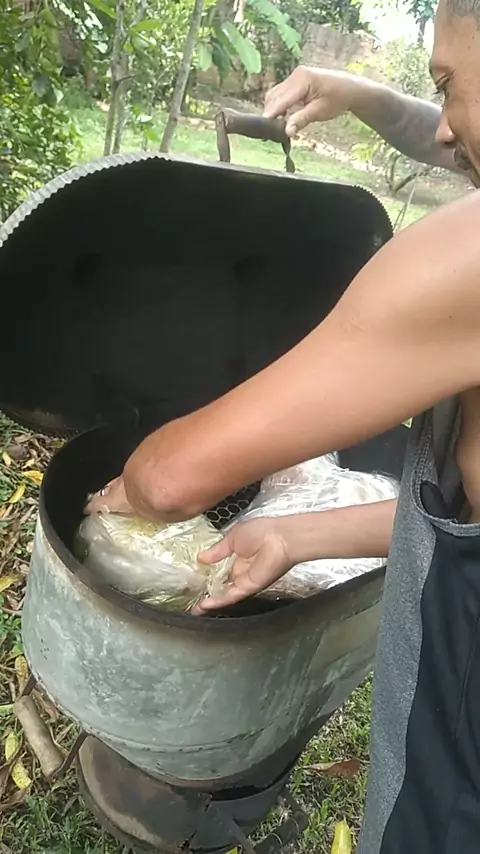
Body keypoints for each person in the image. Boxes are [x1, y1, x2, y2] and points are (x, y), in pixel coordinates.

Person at [87, 0, 480, 849]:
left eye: (446, 84)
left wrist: (133, 485)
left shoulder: (465, 263)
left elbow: (172, 479)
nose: (444, 131)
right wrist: (299, 535)